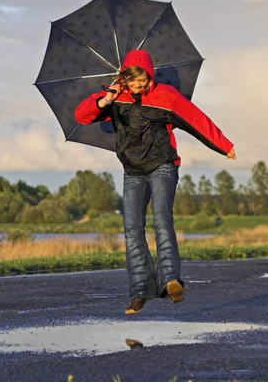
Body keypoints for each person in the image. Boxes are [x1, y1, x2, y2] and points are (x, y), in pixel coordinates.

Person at [74, 49, 236, 315]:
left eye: (143, 80)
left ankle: (171, 280)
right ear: (123, 77)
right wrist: (104, 101)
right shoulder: (114, 96)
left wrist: (223, 145)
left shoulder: (166, 95)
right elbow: (82, 116)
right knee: (132, 229)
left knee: (162, 219)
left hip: (162, 165)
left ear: (150, 75)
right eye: (133, 80)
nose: (138, 86)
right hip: (133, 171)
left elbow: (196, 119)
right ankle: (140, 291)